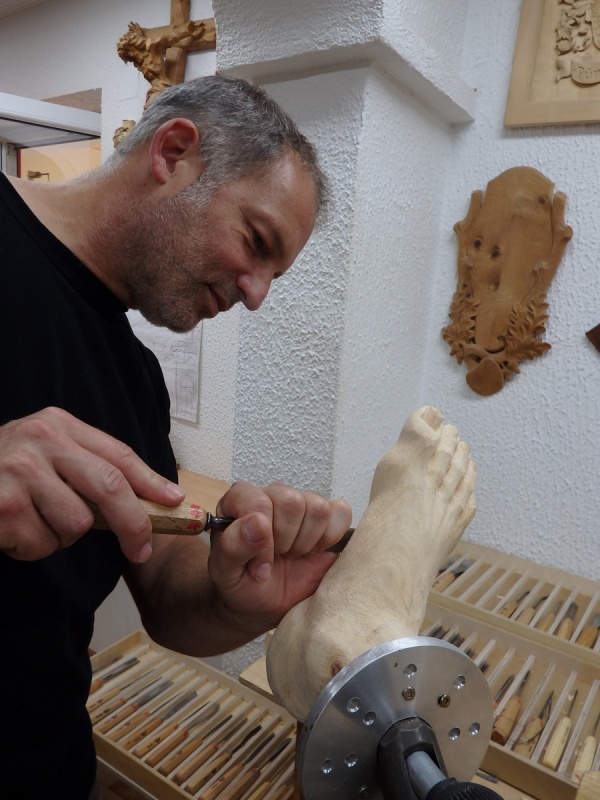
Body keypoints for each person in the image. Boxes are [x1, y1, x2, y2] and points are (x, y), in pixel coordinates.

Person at [0, 75, 352, 800]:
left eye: (275, 274)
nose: (256, 295)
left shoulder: (138, 380)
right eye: (257, 242)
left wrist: (236, 597)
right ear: (173, 152)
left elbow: (162, 587)